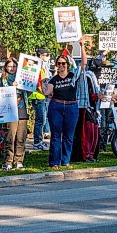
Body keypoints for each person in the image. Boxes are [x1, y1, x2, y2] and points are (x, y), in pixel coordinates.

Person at [43, 35, 89, 168]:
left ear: (67, 65)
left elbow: (84, 63)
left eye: (63, 63)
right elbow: (47, 93)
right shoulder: (54, 79)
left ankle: (66, 161)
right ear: (56, 65)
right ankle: (54, 162)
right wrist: (40, 86)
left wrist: (81, 46)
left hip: (71, 107)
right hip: (56, 106)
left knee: (69, 136)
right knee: (56, 136)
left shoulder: (73, 75)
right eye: (59, 63)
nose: (61, 65)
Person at [0, 58, 29, 171]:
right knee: (10, 136)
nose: (12, 68)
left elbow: (29, 91)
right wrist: (13, 87)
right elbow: (1, 94)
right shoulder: (3, 80)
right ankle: (8, 161)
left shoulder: (22, 79)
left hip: (21, 110)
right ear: (5, 68)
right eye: (9, 66)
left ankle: (19, 160)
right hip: (9, 110)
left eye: (14, 66)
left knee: (21, 137)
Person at [29, 49, 51, 150]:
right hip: (38, 96)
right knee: (40, 120)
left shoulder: (41, 68)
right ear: (41, 56)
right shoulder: (37, 67)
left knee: (42, 119)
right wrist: (45, 93)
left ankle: (39, 141)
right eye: (46, 55)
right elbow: (38, 84)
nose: (47, 57)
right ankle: (37, 142)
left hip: (41, 96)